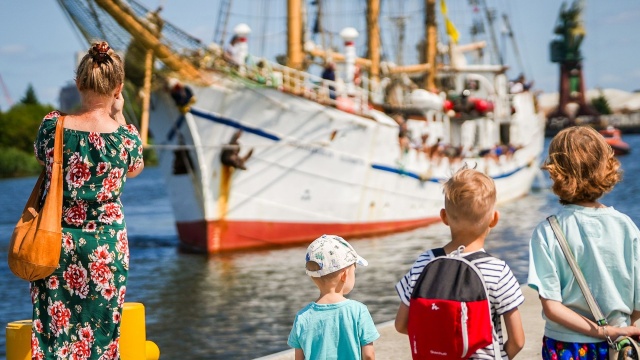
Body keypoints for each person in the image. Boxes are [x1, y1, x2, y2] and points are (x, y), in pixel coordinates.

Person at [31, 41, 144, 359]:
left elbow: (44, 161)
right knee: (103, 332)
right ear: (118, 88)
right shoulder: (126, 137)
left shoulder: (53, 127)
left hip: (56, 242)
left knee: (55, 331)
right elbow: (135, 169)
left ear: (79, 83)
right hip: (106, 248)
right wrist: (119, 115)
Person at [527, 126, 640, 360]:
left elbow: (552, 307)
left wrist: (600, 331)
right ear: (606, 166)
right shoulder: (626, 225)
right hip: (619, 347)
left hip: (566, 346)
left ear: (554, 172)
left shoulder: (548, 231)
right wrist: (627, 330)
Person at [394, 167, 525, 359]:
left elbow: (401, 324)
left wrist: (442, 341)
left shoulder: (424, 263)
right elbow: (518, 340)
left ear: (444, 217)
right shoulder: (497, 271)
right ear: (494, 219)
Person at [288, 235, 379, 360]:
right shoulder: (358, 311)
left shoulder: (302, 317)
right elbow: (369, 355)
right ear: (344, 275)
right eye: (354, 269)